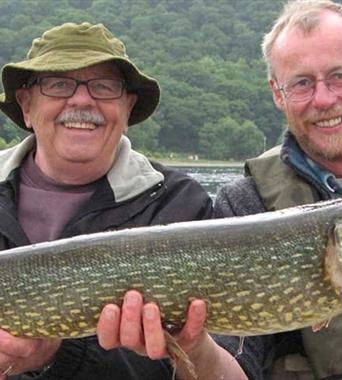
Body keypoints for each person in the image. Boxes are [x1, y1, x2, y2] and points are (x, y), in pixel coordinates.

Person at [0, 22, 249, 380]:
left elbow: (224, 367)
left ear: (127, 108)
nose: (82, 100)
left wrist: (57, 352)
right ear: (26, 105)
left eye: (104, 86)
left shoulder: (179, 204)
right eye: (58, 84)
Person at [214, 0, 342, 379]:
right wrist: (192, 346)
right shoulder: (244, 203)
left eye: (340, 76)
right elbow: (234, 365)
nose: (323, 99)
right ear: (277, 93)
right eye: (301, 83)